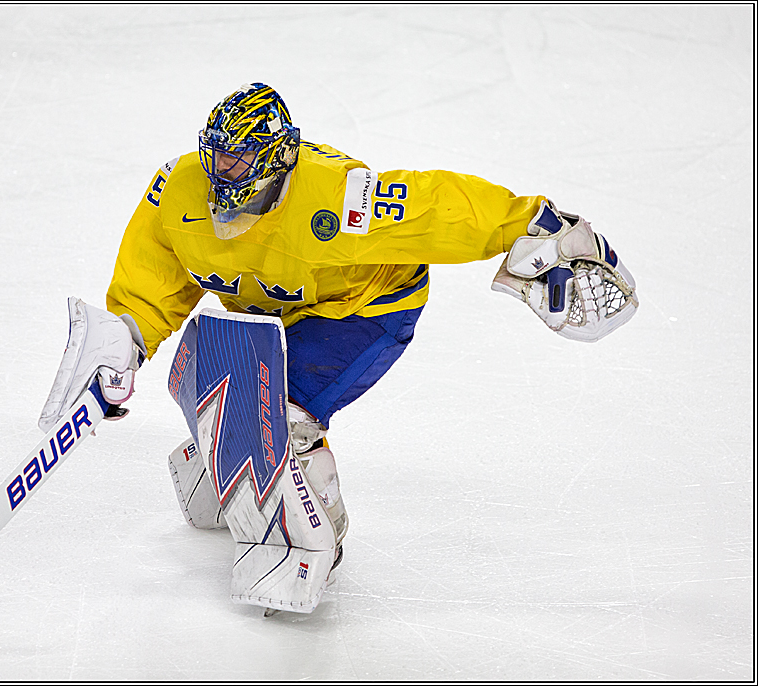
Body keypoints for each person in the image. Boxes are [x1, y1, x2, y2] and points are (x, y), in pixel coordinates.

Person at [39, 82, 637, 613]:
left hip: (368, 310)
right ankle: (221, 477)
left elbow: (436, 207)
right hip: (285, 316)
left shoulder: (335, 198)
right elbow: (156, 273)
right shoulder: (179, 191)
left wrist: (528, 223)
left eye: (241, 157)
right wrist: (128, 338)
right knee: (217, 376)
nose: (224, 170)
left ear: (275, 161)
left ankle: (314, 539)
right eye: (217, 154)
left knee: (282, 416)